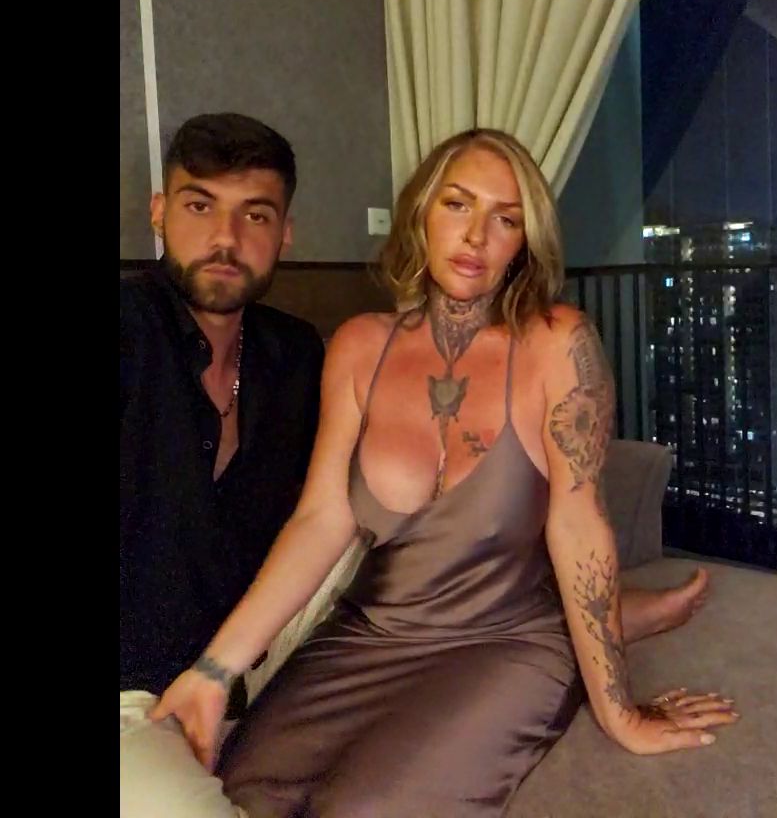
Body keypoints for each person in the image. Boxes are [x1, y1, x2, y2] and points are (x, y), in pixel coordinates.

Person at [152, 128, 737, 818]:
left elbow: (580, 525)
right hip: (368, 633)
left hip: (506, 639)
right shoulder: (359, 346)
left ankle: (606, 625)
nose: (476, 235)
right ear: (422, 214)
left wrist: (620, 712)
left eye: (506, 218)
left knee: (361, 808)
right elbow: (322, 519)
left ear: (525, 242)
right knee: (242, 794)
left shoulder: (556, 341)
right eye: (457, 205)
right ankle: (628, 613)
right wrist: (214, 672)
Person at [120, 112, 347, 818]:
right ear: (159, 213)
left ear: (285, 233)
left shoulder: (295, 355)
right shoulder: (129, 331)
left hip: (249, 663)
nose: (226, 238)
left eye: (255, 214)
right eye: (199, 206)